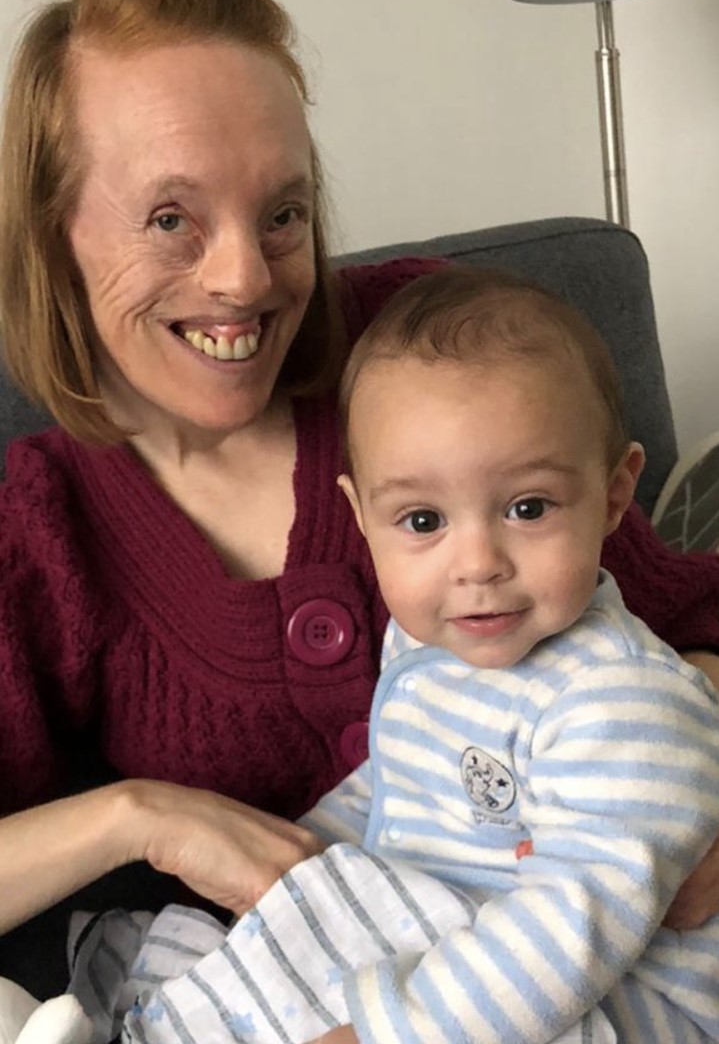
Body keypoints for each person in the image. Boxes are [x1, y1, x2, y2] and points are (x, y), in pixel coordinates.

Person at [0, 0, 718, 1009]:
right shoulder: (38, 532)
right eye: (169, 219)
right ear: (56, 236)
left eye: (281, 212)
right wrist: (141, 813)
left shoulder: (429, 356)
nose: (245, 278)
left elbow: (673, 621)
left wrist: (684, 773)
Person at [62, 266, 719, 1044]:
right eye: (421, 521)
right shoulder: (432, 650)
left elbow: (566, 934)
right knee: (241, 936)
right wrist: (294, 890)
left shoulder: (623, 703)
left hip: (608, 1000)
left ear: (614, 494)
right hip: (462, 944)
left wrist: (377, 1036)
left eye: (527, 508)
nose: (476, 563)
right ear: (361, 518)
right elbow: (392, 789)